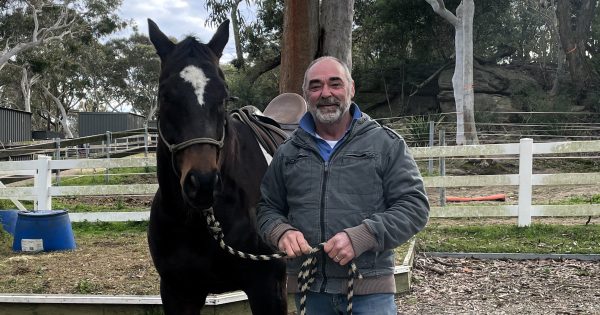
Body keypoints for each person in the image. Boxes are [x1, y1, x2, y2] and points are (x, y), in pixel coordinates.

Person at [256, 56, 430, 315]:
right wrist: (280, 232)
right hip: (311, 292)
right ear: (306, 94)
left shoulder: (385, 144)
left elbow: (414, 207)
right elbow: (266, 209)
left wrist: (363, 236)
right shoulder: (288, 152)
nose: (325, 93)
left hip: (370, 290)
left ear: (351, 89)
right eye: (315, 86)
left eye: (334, 84)